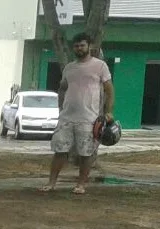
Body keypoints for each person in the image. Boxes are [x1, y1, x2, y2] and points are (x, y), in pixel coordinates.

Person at [40, 32, 114, 195]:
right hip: (66, 118)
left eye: (82, 45)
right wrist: (60, 108)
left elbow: (109, 89)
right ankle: (51, 182)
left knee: (85, 153)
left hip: (89, 119)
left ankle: (81, 185)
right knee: (59, 150)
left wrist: (108, 112)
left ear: (89, 46)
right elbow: (62, 87)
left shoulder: (100, 66)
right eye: (76, 46)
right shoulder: (69, 68)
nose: (79, 48)